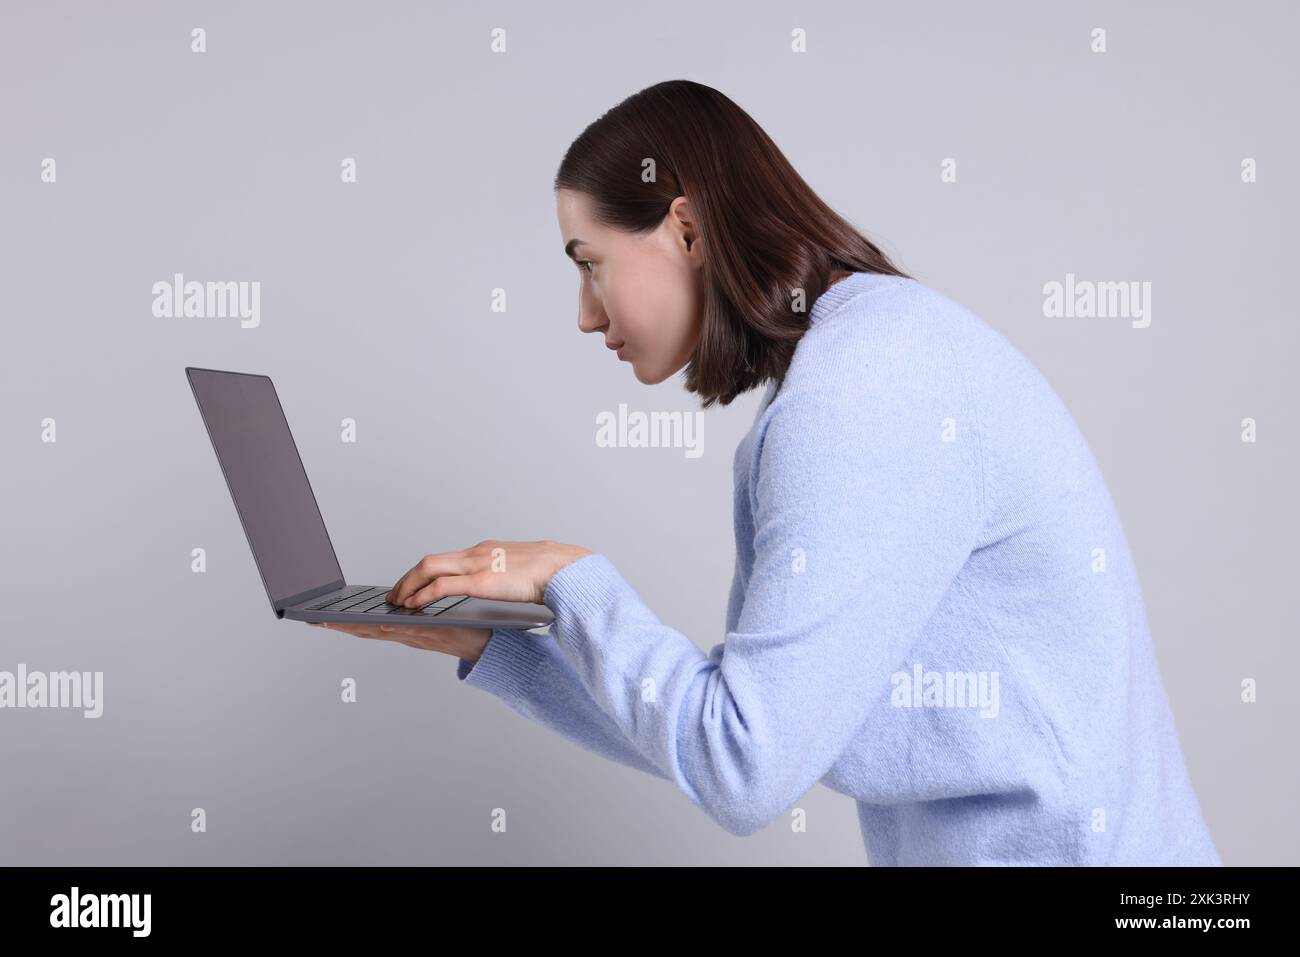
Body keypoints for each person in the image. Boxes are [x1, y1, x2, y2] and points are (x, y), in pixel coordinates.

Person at [313, 80, 1221, 866]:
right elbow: (733, 730)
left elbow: (741, 767)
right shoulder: (864, 363)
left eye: (592, 266)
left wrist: (564, 576)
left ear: (687, 229)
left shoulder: (863, 391)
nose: (587, 316)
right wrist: (500, 644)